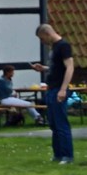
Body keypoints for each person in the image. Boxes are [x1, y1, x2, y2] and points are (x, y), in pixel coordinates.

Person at [31, 25, 75, 165]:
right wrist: (43, 68)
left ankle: (67, 156)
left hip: (58, 89)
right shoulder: (54, 48)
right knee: (54, 124)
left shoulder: (63, 46)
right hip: (50, 89)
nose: (42, 41)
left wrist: (63, 89)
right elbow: (58, 68)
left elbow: (69, 67)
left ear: (47, 33)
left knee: (61, 123)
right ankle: (58, 154)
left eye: (41, 38)